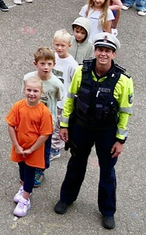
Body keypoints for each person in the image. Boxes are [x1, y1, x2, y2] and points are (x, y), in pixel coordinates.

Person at [54, 33, 134, 231]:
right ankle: (66, 199)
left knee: (107, 171)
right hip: (81, 127)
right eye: (100, 50)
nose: (103, 54)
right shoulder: (82, 71)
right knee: (75, 163)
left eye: (108, 51)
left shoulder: (124, 81)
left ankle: (108, 211)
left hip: (107, 132)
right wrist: (64, 126)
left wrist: (120, 140)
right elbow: (71, 99)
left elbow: (125, 113)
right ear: (95, 51)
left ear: (114, 54)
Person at [7, 76, 53, 218]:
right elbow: (11, 125)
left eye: (35, 91)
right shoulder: (18, 106)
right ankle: (24, 188)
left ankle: (25, 198)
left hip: (34, 150)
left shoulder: (44, 112)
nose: (32, 93)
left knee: (30, 171)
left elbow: (45, 134)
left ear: (41, 93)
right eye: (29, 90)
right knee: (21, 168)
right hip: (20, 147)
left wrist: (32, 149)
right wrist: (17, 145)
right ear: (24, 90)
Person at [23, 47, 64, 188]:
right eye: (42, 63)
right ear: (35, 64)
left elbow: (59, 98)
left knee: (45, 147)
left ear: (54, 64)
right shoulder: (28, 78)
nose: (46, 67)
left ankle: (40, 170)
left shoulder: (57, 83)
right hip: (30, 119)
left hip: (47, 122)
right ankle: (28, 165)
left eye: (49, 64)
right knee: (29, 142)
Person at [51, 29, 79, 160]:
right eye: (57, 44)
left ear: (69, 46)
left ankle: (55, 148)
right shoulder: (52, 57)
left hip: (62, 102)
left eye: (63, 45)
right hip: (51, 98)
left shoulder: (72, 64)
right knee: (50, 122)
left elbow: (75, 84)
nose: (59, 48)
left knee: (58, 125)